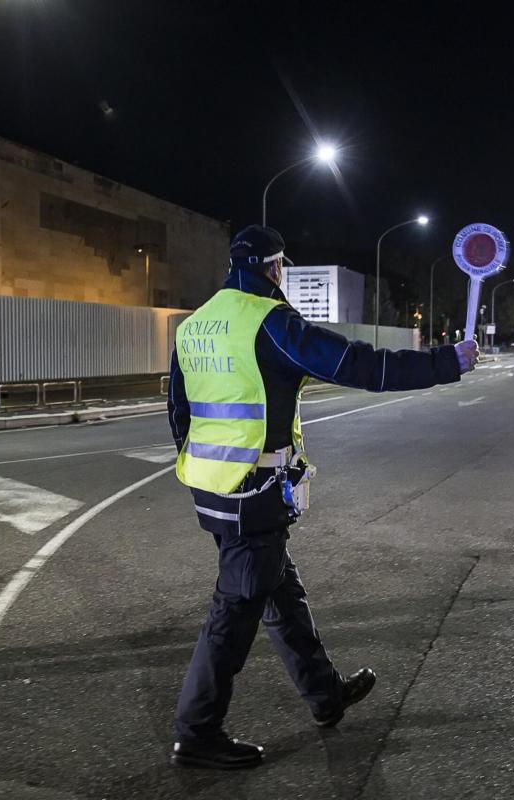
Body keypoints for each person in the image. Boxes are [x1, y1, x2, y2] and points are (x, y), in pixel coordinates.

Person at [166, 225, 478, 769]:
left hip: (212, 489)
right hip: (253, 492)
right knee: (233, 613)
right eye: (281, 266)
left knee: (280, 593)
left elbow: (178, 410)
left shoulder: (195, 325)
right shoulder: (270, 322)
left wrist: (208, 469)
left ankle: (325, 695)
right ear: (272, 266)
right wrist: (447, 362)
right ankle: (197, 731)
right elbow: (358, 364)